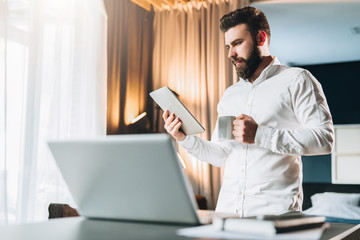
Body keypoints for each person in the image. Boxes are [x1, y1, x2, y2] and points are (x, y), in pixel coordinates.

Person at [163, 6, 334, 217]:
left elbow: (325, 139)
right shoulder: (230, 95)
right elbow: (221, 155)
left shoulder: (298, 80)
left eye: (237, 43)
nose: (230, 54)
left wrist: (259, 135)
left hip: (275, 217)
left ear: (261, 38)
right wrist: (183, 137)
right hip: (227, 215)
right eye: (228, 46)